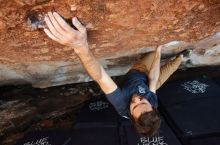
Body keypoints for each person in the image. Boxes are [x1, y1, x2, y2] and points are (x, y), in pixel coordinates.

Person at [43, 12, 183, 137]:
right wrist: (158, 52)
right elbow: (153, 79)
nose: (136, 99)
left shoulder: (120, 103)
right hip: (148, 80)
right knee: (169, 65)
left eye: (134, 106)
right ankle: (182, 57)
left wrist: (81, 47)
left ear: (131, 117)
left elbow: (101, 77)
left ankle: (178, 58)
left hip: (137, 72)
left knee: (158, 59)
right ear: (152, 107)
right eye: (143, 101)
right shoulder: (151, 106)